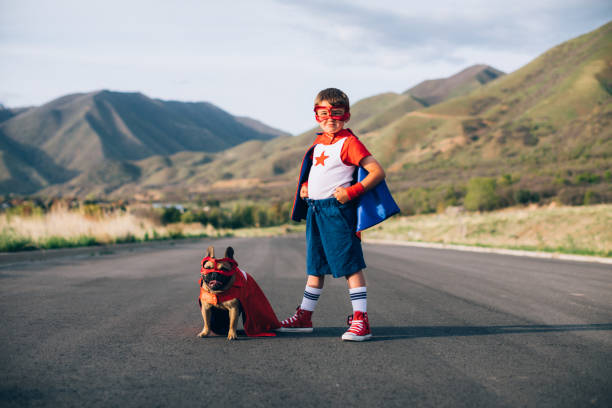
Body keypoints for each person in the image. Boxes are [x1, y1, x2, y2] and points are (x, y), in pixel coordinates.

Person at [278, 87, 389, 341]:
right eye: (324, 113)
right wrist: (306, 187)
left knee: (350, 265)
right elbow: (318, 173)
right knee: (315, 267)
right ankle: (305, 316)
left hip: (337, 212)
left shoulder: (350, 142)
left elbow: (377, 172)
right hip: (316, 211)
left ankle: (361, 320)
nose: (330, 118)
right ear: (316, 115)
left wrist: (352, 192)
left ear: (346, 115)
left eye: (336, 113)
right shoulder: (318, 142)